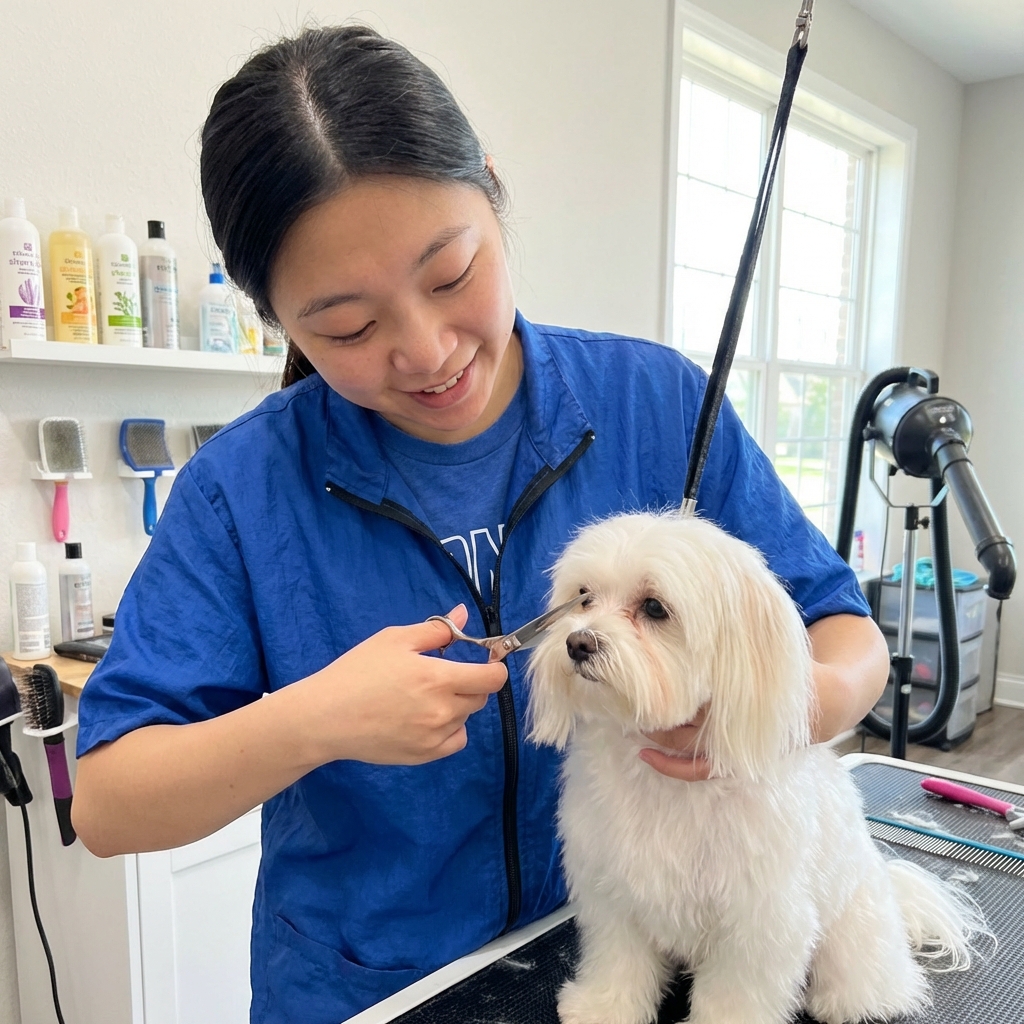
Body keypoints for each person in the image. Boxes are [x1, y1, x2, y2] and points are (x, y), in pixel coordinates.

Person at [72, 24, 890, 1024]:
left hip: (611, 956)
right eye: (347, 327)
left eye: (452, 275)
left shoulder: (659, 406)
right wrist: (319, 720)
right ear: (274, 318)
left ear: (493, 197)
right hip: (367, 989)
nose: (425, 350)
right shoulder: (239, 493)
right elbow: (108, 802)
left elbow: (846, 640)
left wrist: (769, 717)